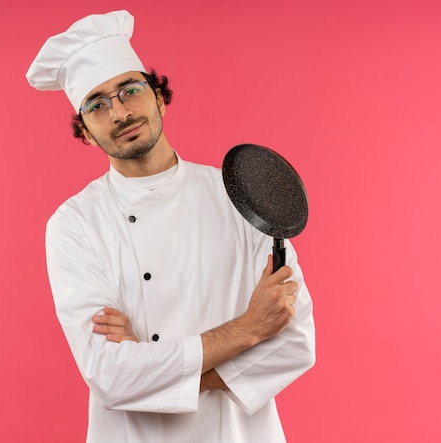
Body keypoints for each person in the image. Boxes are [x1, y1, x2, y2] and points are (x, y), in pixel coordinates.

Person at [26, 10, 315, 443]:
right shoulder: (74, 226)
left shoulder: (237, 195)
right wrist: (249, 329)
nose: (120, 112)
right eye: (98, 104)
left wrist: (150, 371)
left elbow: (296, 342)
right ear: (84, 131)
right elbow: (110, 379)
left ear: (159, 97)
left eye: (130, 90)